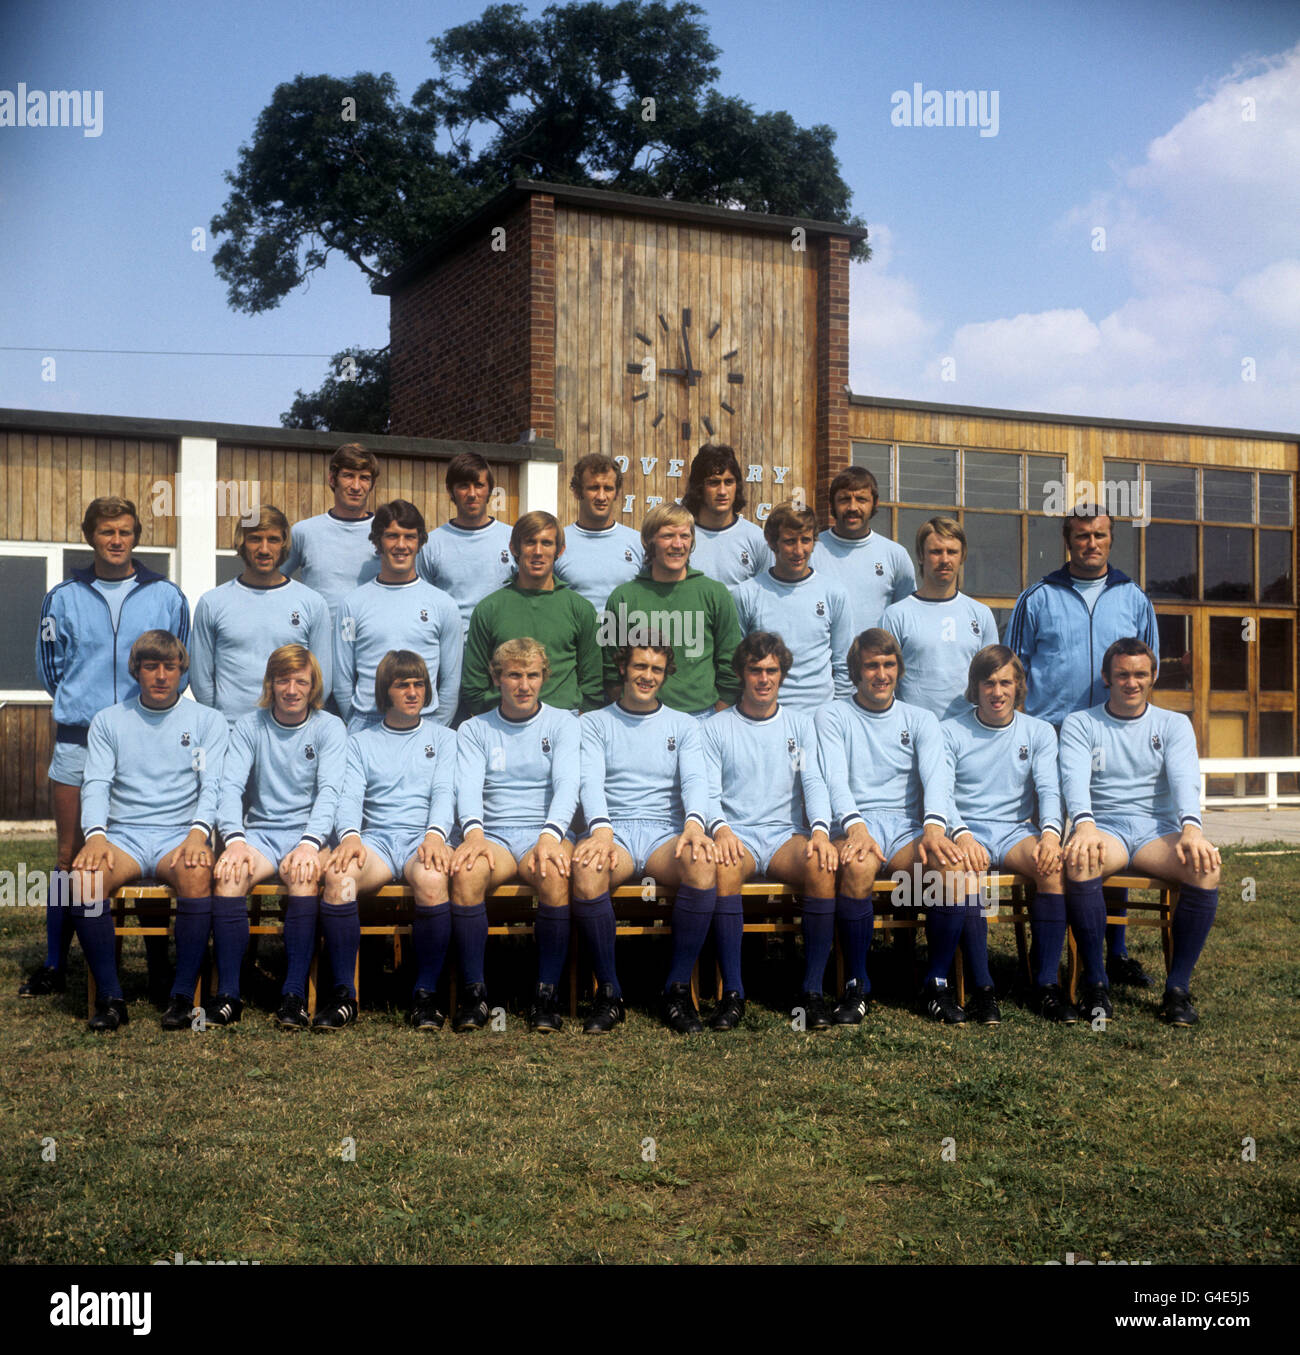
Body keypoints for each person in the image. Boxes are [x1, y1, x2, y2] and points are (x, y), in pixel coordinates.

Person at [24, 495, 190, 1000]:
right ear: (89, 536)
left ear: (136, 536)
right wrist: (89, 710)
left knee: (146, 842)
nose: (115, 540)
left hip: (147, 741)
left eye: (124, 532)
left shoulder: (166, 595)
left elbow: (180, 666)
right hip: (79, 741)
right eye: (105, 532)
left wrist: (137, 721)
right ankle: (55, 963)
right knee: (70, 856)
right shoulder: (63, 596)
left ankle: (160, 964)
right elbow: (50, 667)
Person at [1008, 506, 1160, 986]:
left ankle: (1113, 951)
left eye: (1099, 536)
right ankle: (1044, 952)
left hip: (1115, 735)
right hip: (1051, 738)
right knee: (1048, 842)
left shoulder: (1133, 597)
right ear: (1067, 540)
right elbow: (1014, 670)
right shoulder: (1038, 597)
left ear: (1111, 541)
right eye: (1081, 536)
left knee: (1107, 833)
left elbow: (1148, 667)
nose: (1090, 543)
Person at [69, 631, 226, 1032]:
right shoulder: (109, 720)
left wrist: (198, 834)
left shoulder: (207, 720)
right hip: (124, 834)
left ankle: (181, 996)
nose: (160, 676)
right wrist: (96, 836)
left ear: (182, 670)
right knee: (82, 881)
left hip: (180, 832)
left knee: (196, 873)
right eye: (150, 667)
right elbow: (97, 783)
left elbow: (213, 786)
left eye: (169, 667)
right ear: (135, 670)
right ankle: (110, 997)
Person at [1060, 639, 1220, 1027]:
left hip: (1156, 830)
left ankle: (1177, 990)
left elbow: (1184, 778)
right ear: (1106, 678)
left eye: (1139, 675)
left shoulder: (1173, 723)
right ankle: (1096, 983)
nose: (1131, 683)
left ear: (1153, 677)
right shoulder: (1081, 723)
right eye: (1122, 675)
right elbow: (1073, 779)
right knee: (1081, 864)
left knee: (1206, 869)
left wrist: (1191, 829)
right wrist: (1083, 824)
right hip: (1105, 826)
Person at [814, 629, 965, 1027]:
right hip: (854, 822)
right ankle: (856, 984)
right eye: (871, 666)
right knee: (860, 868)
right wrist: (855, 826)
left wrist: (934, 829)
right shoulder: (832, 715)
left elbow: (936, 778)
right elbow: (834, 778)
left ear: (898, 669)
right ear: (855, 672)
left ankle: (935, 982)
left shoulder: (920, 718)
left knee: (947, 870)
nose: (881, 674)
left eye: (888, 665)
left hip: (904, 825)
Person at [574, 644, 716, 1034]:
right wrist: (601, 829)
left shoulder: (684, 725)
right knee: (586, 871)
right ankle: (609, 992)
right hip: (613, 831)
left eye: (656, 668)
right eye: (639, 665)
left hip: (663, 833)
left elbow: (695, 780)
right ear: (622, 667)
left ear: (666, 674)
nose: (647, 676)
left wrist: (693, 826)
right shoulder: (594, 723)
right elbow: (590, 780)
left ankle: (675, 990)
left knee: (703, 864)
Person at [701, 632, 838, 1030]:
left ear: (782, 674)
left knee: (822, 867)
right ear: (741, 674)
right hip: (737, 835)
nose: (764, 679)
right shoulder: (716, 727)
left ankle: (811, 992)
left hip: (783, 836)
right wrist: (721, 829)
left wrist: (820, 831)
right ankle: (733, 993)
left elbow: (812, 782)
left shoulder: (799, 726)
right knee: (722, 870)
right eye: (755, 670)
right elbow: (709, 792)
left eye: (772, 671)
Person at [320, 651, 457, 1032]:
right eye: (402, 685)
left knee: (432, 880)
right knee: (339, 879)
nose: (413, 692)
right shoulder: (360, 742)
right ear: (386, 691)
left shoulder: (444, 738)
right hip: (376, 839)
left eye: (419, 685)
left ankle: (425, 994)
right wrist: (349, 837)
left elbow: (445, 792)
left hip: (422, 838)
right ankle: (345, 994)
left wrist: (435, 835)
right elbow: (349, 796)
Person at [449, 638, 580, 1033]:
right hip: (495, 835)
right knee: (467, 873)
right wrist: (473, 835)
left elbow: (568, 785)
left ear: (544, 678)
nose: (524, 685)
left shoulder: (563, 723)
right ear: (497, 678)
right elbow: (467, 787)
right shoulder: (474, 729)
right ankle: (475, 994)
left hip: (545, 832)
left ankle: (546, 994)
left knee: (556, 874)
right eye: (514, 675)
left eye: (533, 675)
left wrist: (550, 837)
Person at [213, 645, 346, 1030]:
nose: (291, 689)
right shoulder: (250, 726)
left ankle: (293, 996)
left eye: (300, 681)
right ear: (270, 683)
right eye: (283, 680)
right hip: (262, 832)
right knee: (228, 876)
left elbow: (331, 792)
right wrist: (234, 839)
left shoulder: (329, 727)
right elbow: (229, 787)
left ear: (313, 685)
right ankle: (229, 994)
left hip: (309, 834)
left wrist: (310, 842)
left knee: (304, 877)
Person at [942, 646, 1067, 1024]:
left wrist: (1050, 834)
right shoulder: (950, 731)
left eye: (1006, 683)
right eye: (989, 683)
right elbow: (940, 793)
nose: (997, 692)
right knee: (965, 875)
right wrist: (962, 835)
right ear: (976, 687)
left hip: (1014, 830)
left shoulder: (1040, 731)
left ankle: (1045, 985)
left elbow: (1048, 789)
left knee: (1053, 869)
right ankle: (983, 989)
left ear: (1019, 686)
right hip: (968, 830)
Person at [190, 506, 332, 725]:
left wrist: (297, 724)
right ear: (242, 543)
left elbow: (321, 681)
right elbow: (201, 680)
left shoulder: (312, 603)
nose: (264, 549)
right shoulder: (212, 603)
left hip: (290, 732)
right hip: (231, 731)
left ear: (284, 544)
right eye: (255, 539)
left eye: (273, 540)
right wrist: (218, 724)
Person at [601, 503, 743, 716]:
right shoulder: (623, 597)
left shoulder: (715, 594)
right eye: (668, 536)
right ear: (649, 541)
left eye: (685, 536)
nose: (678, 544)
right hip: (639, 717)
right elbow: (610, 668)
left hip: (702, 716)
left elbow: (731, 662)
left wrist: (719, 713)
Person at [333, 500, 462, 729]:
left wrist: (436, 729)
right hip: (366, 721)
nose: (401, 545)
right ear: (377, 542)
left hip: (426, 721)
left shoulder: (444, 605)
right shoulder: (351, 606)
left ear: (420, 542)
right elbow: (342, 678)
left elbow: (451, 682)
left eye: (409, 537)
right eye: (392, 536)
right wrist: (355, 723)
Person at [461, 511, 602, 715]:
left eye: (546, 543)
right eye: (529, 542)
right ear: (514, 548)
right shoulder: (489, 609)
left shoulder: (580, 609)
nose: (538, 551)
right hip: (503, 724)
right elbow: (474, 685)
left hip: (565, 722)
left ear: (559, 550)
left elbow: (593, 685)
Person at [732, 502, 852, 710]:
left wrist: (835, 713)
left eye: (805, 540)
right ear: (771, 542)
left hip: (819, 716)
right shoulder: (746, 594)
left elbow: (843, 664)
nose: (798, 550)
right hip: (765, 716)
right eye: (789, 541)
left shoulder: (834, 593)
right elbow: (736, 664)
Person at [882, 516, 998, 721]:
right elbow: (885, 682)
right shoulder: (896, 615)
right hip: (912, 732)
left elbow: (992, 679)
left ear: (962, 556)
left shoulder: (981, 614)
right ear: (920, 555)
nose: (945, 559)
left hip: (968, 733)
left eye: (952, 552)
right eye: (936, 552)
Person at [281, 442, 383, 627]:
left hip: (370, 643)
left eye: (364, 478)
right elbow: (274, 581)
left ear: (372, 484)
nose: (356, 486)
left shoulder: (387, 534)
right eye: (348, 476)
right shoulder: (304, 531)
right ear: (332, 479)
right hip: (318, 644)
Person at [417, 451, 515, 635]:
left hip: (502, 650)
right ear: (450, 490)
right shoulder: (431, 544)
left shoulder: (512, 538)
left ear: (490, 490)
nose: (472, 494)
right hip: (451, 649)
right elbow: (423, 604)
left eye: (479, 485)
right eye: (463, 486)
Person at [812, 465, 915, 635]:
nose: (852, 507)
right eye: (844, 499)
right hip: (823, 660)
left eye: (861, 499)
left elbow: (907, 619)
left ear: (874, 503)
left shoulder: (895, 555)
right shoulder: (811, 551)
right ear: (831, 504)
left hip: (876, 660)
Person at [554, 452, 644, 610]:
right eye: (594, 488)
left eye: (608, 488)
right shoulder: (557, 541)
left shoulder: (638, 543)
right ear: (577, 491)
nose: (601, 496)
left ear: (616, 493)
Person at [679, 444, 771, 587]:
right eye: (714, 483)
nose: (722, 491)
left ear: (737, 485)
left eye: (728, 482)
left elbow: (766, 599)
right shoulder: (679, 538)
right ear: (698, 487)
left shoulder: (757, 539)